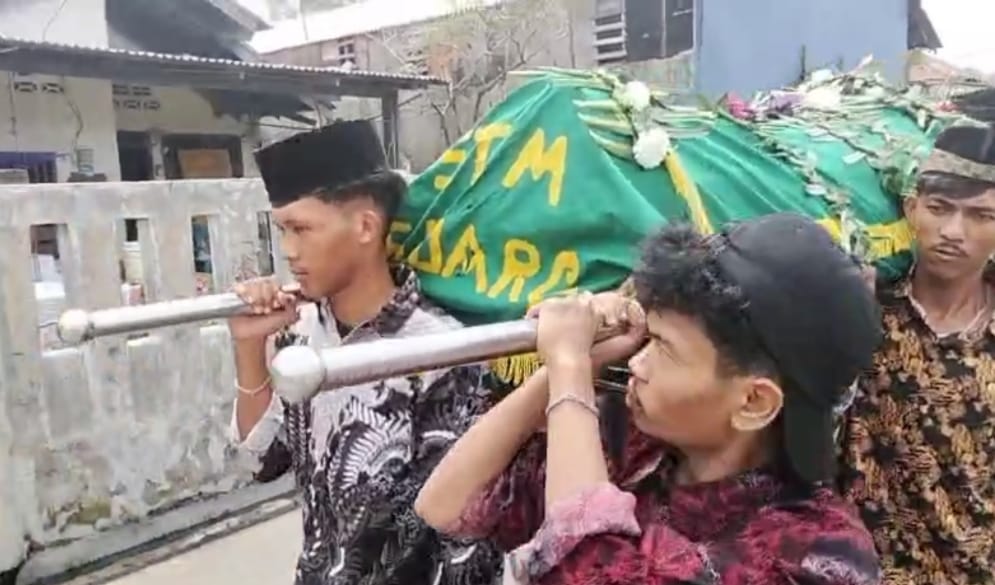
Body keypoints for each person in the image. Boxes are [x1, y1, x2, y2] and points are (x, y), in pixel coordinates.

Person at [416, 213, 884, 585]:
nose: (638, 364)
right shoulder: (634, 455)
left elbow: (591, 574)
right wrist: (577, 361)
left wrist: (570, 368)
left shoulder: (822, 553)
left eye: (664, 347)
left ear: (753, 403)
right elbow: (448, 504)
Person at [227, 120, 502, 585]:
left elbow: (465, 542)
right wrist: (249, 346)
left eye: (302, 229)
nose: (288, 250)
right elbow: (263, 463)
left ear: (365, 226)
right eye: (282, 230)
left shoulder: (439, 352)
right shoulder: (303, 336)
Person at [839, 123, 995, 584]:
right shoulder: (868, 315)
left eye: (981, 216)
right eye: (939, 208)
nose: (953, 231)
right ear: (912, 209)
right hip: (870, 571)